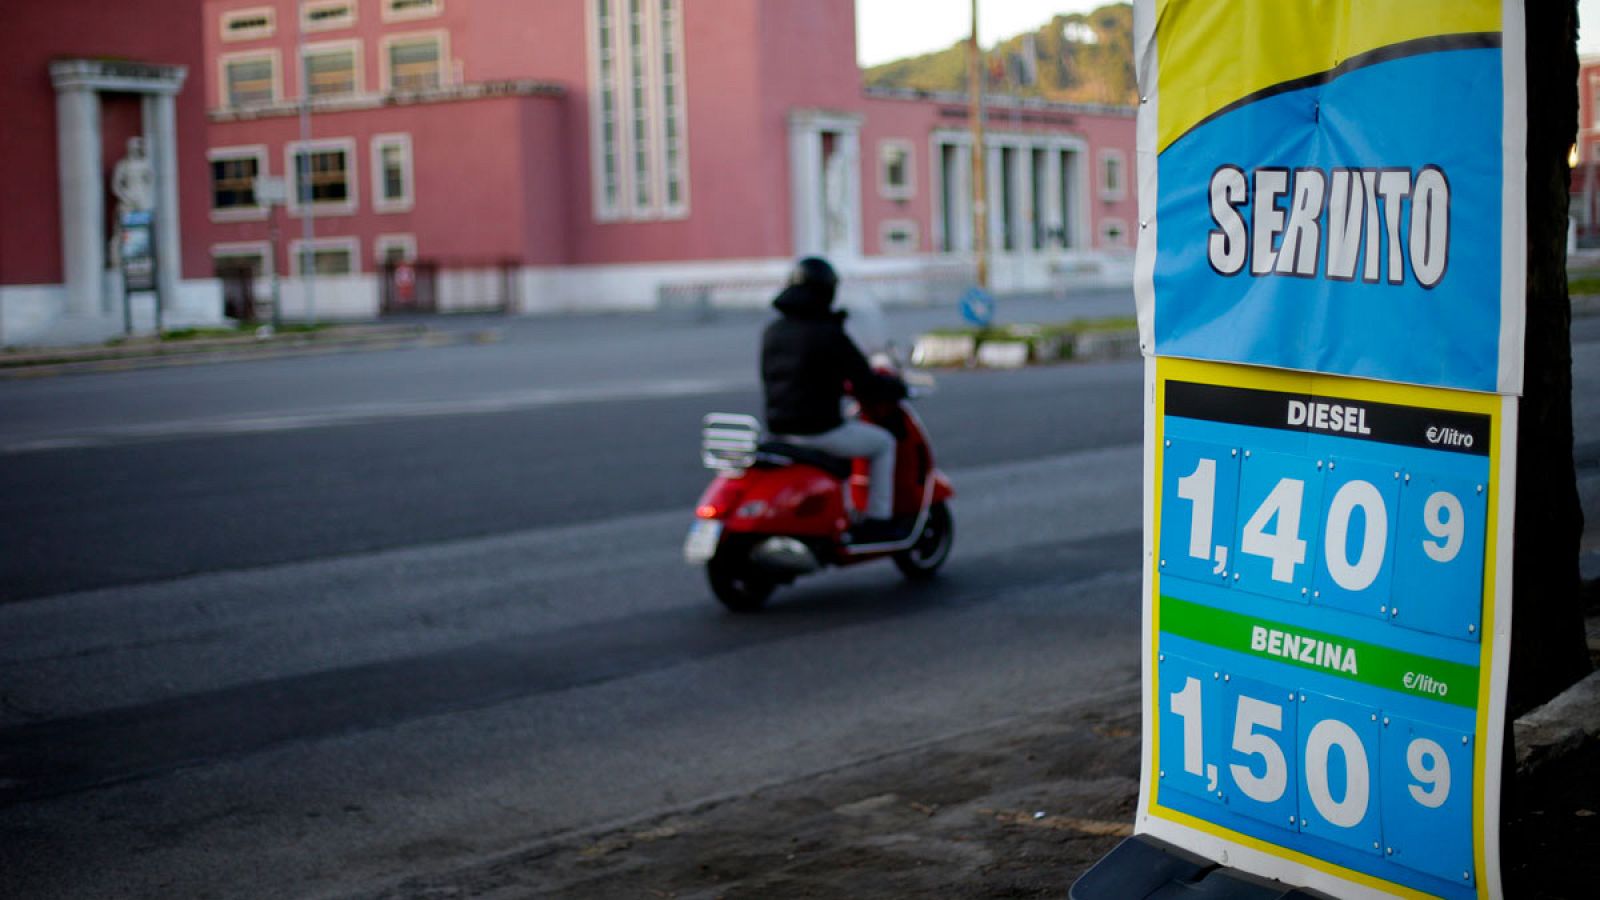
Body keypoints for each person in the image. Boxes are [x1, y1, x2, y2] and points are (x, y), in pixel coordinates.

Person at [761, 257, 905, 544]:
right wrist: (895, 387)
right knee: (883, 443)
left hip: (780, 429)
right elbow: (866, 382)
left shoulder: (773, 331)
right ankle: (878, 520)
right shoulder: (828, 333)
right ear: (826, 290)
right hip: (820, 430)